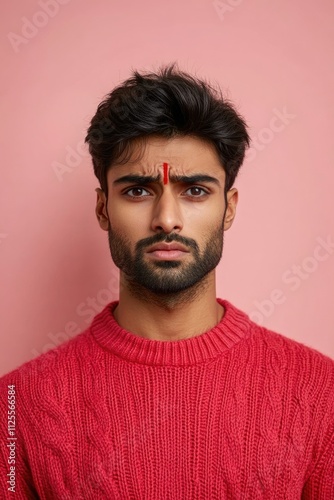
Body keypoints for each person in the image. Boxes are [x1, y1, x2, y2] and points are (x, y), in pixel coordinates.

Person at [1, 64, 333, 499]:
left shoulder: (321, 393)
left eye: (195, 190)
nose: (167, 220)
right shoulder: (14, 405)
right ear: (102, 209)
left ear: (228, 207)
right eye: (138, 190)